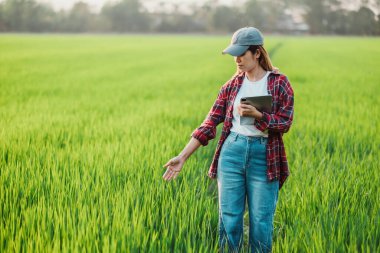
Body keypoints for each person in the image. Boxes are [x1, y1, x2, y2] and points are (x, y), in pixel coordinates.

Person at [162, 27, 294, 253]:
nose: (237, 59)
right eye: (235, 54)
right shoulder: (232, 85)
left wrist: (259, 116)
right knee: (229, 219)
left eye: (242, 54)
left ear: (258, 53)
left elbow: (285, 123)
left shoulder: (279, 83)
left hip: (265, 156)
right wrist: (182, 156)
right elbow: (209, 123)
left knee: (261, 221)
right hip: (232, 152)